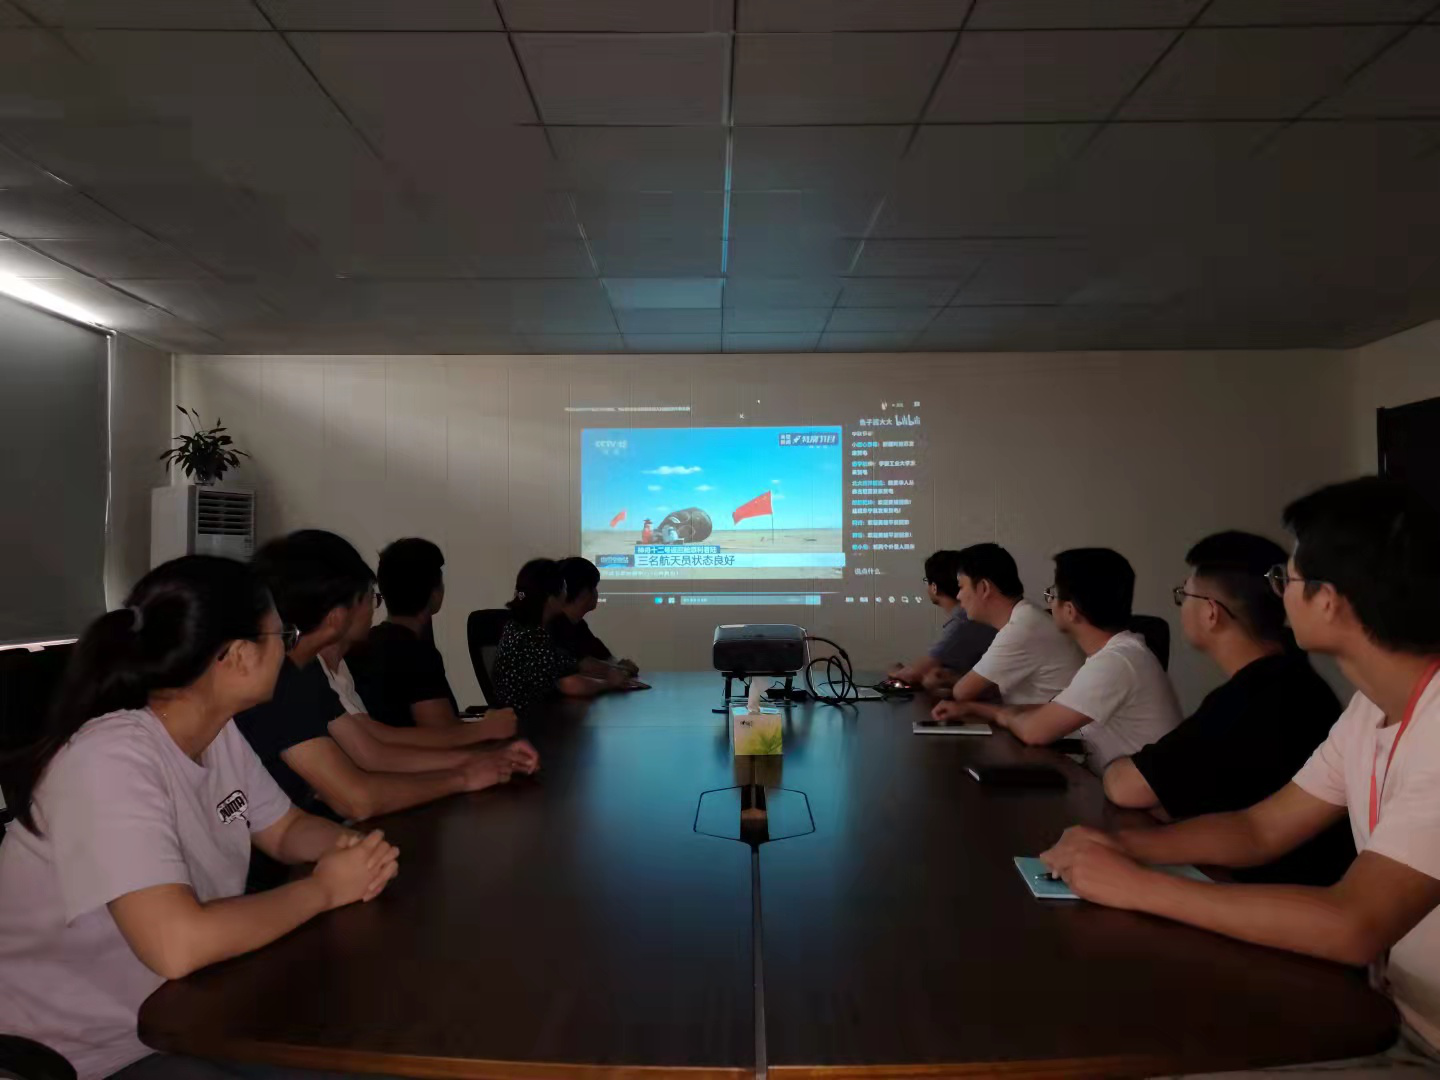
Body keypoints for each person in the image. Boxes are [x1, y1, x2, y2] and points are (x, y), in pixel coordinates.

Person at [1042, 478, 1440, 1072]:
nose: (1277, 596)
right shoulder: (1368, 709)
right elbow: (1260, 829)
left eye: (1288, 580)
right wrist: (1126, 847)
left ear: (1329, 601)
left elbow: (1353, 922)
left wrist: (1138, 886)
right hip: (1384, 1009)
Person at [0, 556, 399, 1080]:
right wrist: (324, 889)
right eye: (281, 634)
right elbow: (176, 945)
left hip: (185, 1008)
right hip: (88, 1051)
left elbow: (284, 829)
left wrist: (354, 852)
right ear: (238, 656)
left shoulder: (217, 732)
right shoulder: (108, 761)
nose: (288, 649)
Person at [236, 530, 537, 829]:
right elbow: (357, 798)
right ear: (337, 617)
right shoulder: (281, 679)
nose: (372, 609)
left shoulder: (305, 671)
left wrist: (482, 760)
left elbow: (372, 753)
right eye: (368, 598)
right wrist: (465, 776)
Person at [1103, 531, 1354, 885]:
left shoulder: (1257, 697)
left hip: (1275, 895)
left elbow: (1128, 786)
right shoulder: (1294, 680)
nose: (1181, 605)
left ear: (1211, 612)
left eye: (1184, 594)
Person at [956, 548, 1181, 771]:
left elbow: (1034, 731)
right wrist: (979, 709)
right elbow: (1054, 710)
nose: (1048, 602)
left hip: (1135, 793)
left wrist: (1000, 713)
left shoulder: (1115, 663)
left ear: (1071, 610)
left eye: (1053, 593)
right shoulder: (1119, 654)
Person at [347, 537, 517, 740]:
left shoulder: (366, 643)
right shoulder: (416, 654)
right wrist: (490, 726)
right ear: (435, 594)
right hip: (419, 757)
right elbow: (445, 734)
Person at [931, 542, 1082, 721]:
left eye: (961, 586)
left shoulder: (1022, 626)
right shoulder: (1026, 615)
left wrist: (954, 683)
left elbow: (962, 692)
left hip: (1058, 734)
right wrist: (952, 678)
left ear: (983, 588)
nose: (958, 596)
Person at [492, 558, 632, 716]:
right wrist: (609, 683)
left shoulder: (518, 627)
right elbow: (571, 684)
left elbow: (575, 665)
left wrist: (614, 671)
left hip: (529, 719)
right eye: (564, 588)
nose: (567, 595)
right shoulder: (534, 638)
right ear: (551, 599)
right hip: (528, 723)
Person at [888, 549, 997, 697]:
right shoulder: (966, 619)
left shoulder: (963, 623)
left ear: (934, 587)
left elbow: (909, 676)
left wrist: (895, 670)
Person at [548, 556, 639, 678]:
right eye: (593, 587)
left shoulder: (579, 625)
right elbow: (582, 666)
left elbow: (606, 658)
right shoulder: (553, 627)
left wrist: (618, 668)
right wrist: (620, 669)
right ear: (583, 591)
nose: (596, 593)